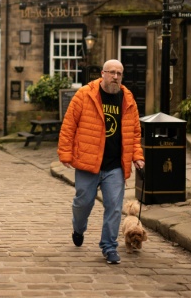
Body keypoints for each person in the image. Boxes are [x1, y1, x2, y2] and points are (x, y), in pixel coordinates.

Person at [57, 59, 145, 265]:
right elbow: (69, 125)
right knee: (83, 202)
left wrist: (137, 156)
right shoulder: (84, 95)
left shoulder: (128, 98)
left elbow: (134, 132)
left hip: (115, 165)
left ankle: (109, 247)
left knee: (114, 207)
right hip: (88, 162)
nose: (115, 77)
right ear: (102, 73)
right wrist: (65, 153)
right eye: (112, 72)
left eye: (119, 73)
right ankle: (78, 228)